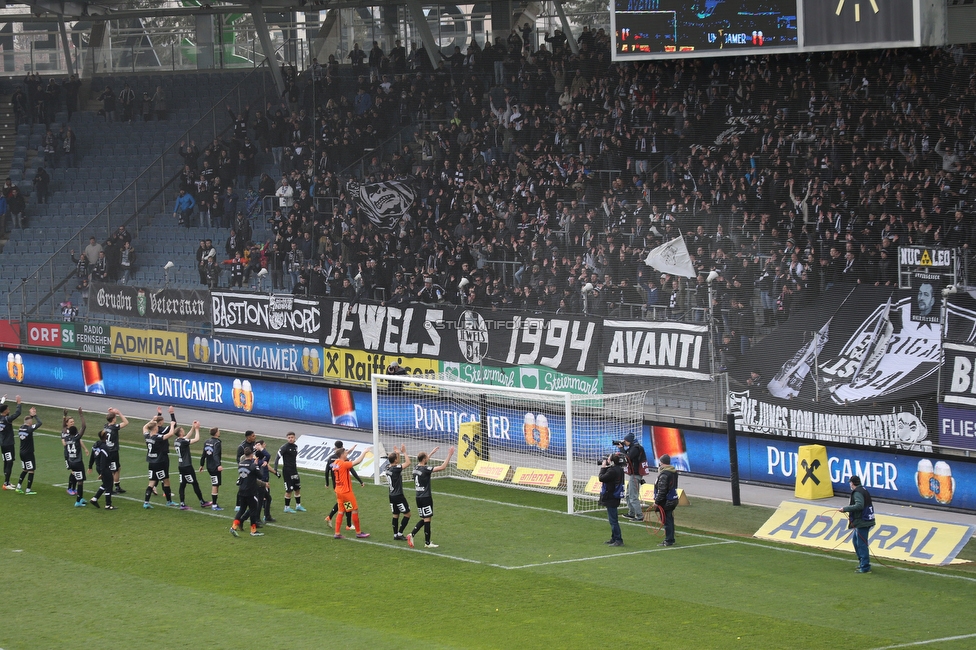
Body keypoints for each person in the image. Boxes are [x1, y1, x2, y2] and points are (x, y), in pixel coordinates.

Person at [406, 446, 455, 549]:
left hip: (418, 497)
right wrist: (449, 455)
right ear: (424, 459)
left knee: (424, 518)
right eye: (427, 457)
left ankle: (413, 535)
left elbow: (423, 460)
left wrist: (432, 452)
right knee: (427, 519)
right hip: (426, 497)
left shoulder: (415, 468)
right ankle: (425, 542)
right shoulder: (426, 469)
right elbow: (442, 467)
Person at [329, 447, 370, 539]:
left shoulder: (335, 463)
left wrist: (346, 452)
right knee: (354, 509)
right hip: (346, 492)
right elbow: (358, 461)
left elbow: (340, 459)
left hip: (339, 492)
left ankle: (337, 533)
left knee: (341, 511)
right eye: (345, 453)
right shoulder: (344, 464)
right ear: (342, 455)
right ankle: (358, 532)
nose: (347, 454)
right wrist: (364, 452)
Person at [143, 407, 178, 509]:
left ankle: (146, 502)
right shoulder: (157, 437)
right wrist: (172, 425)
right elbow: (171, 434)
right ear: (155, 428)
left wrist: (152, 420)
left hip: (151, 461)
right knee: (166, 481)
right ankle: (169, 501)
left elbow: (144, 428)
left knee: (152, 482)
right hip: (160, 461)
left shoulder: (147, 436)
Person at [230, 445, 268, 537]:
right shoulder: (252, 465)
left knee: (242, 510)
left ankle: (233, 527)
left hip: (241, 490)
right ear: (252, 455)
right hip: (251, 491)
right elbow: (260, 476)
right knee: (253, 510)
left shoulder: (240, 464)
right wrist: (259, 466)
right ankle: (253, 531)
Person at [841, 475, 876, 573]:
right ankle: (862, 563)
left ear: (852, 483)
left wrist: (845, 509)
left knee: (861, 544)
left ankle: (865, 566)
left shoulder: (857, 493)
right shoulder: (863, 490)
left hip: (863, 521)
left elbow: (859, 505)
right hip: (865, 519)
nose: (850, 485)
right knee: (856, 541)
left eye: (850, 483)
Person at [324, 440, 361, 530]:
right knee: (347, 505)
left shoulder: (333, 459)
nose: (346, 454)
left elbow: (327, 470)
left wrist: (327, 483)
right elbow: (351, 468)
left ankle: (334, 522)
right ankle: (348, 525)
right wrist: (360, 481)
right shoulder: (343, 462)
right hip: (344, 487)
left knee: (343, 505)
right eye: (345, 453)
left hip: (336, 485)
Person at [175, 420, 211, 510]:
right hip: (187, 466)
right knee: (195, 483)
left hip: (181, 466)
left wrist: (192, 427)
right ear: (180, 432)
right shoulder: (183, 442)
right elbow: (196, 439)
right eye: (182, 430)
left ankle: (182, 503)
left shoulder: (177, 441)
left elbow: (186, 437)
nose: (184, 431)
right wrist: (197, 429)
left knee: (182, 485)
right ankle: (202, 502)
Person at [383, 444, 412, 541]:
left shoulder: (387, 467)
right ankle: (400, 533)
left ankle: (395, 534)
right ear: (395, 460)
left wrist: (397, 454)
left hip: (391, 495)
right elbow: (408, 463)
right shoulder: (396, 469)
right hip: (398, 495)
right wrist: (404, 452)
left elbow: (397, 463)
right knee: (407, 514)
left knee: (395, 515)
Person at [618, 432, 648, 521]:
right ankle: (631, 513)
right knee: (628, 495)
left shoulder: (635, 448)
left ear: (629, 441)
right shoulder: (633, 447)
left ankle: (639, 516)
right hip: (634, 475)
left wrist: (622, 449)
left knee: (633, 496)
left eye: (626, 441)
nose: (624, 442)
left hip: (636, 475)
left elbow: (627, 458)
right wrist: (623, 449)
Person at [599, 452, 626, 547]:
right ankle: (614, 538)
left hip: (611, 496)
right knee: (613, 519)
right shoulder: (619, 469)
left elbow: (601, 478)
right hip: (615, 496)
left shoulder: (612, 471)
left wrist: (603, 468)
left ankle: (618, 539)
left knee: (613, 520)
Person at [61, 407, 87, 502]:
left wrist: (64, 416)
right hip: (76, 461)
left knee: (76, 476)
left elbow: (63, 427)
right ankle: (78, 498)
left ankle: (77, 495)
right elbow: (83, 426)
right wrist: (81, 415)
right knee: (79, 479)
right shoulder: (76, 438)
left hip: (71, 460)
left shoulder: (67, 437)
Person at [654, 454, 680, 547]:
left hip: (666, 500)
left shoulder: (664, 474)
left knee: (666, 520)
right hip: (673, 498)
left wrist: (657, 502)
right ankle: (670, 538)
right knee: (669, 519)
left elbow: (662, 490)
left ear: (661, 462)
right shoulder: (673, 472)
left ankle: (669, 540)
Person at [275, 431, 305, 513]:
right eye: (289, 438)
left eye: (292, 437)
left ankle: (298, 506)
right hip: (287, 471)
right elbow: (277, 458)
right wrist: (275, 469)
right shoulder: (284, 447)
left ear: (295, 438)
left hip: (294, 470)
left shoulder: (295, 447)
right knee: (289, 490)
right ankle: (286, 507)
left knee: (297, 488)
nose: (290, 439)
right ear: (287, 438)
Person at [102, 408, 129, 494]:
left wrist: (111, 413)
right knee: (114, 470)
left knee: (117, 468)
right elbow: (126, 422)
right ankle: (110, 488)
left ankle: (117, 486)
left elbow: (109, 419)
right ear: (113, 419)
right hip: (112, 451)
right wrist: (119, 413)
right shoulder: (114, 427)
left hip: (107, 450)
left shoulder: (106, 426)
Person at [15, 407, 41, 494]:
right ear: (30, 423)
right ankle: (28, 489)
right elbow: (40, 423)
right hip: (28, 453)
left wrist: (31, 415)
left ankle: (18, 486)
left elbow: (28, 422)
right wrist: (35, 415)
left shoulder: (20, 428)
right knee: (31, 470)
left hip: (21, 452)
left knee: (25, 469)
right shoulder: (30, 429)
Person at [88, 431, 116, 509]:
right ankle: (108, 505)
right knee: (109, 485)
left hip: (99, 467)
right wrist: (102, 472)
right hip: (104, 468)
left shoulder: (96, 445)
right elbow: (103, 460)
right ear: (106, 437)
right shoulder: (105, 448)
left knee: (105, 484)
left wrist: (90, 466)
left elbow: (92, 457)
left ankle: (94, 499)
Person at [198, 426, 224, 510]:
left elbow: (203, 454)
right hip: (214, 467)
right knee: (215, 484)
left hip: (209, 466)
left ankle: (214, 504)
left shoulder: (207, 441)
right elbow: (215, 454)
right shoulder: (217, 443)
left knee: (215, 484)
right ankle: (214, 505)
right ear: (216, 433)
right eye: (218, 431)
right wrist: (218, 465)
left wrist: (201, 465)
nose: (219, 432)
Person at [1, 395, 23, 490]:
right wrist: (18, 404)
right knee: (9, 462)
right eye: (8, 408)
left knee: (6, 461)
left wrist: (3, 400)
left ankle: (7, 481)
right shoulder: (7, 419)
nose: (9, 410)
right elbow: (17, 413)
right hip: (8, 444)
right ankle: (6, 483)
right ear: (5, 411)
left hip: (2, 443)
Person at [254, 440, 275, 523]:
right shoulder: (261, 462)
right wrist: (261, 448)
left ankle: (267, 516)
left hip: (262, 482)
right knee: (261, 500)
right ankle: (258, 518)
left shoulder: (258, 461)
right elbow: (268, 455)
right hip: (262, 483)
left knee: (268, 499)